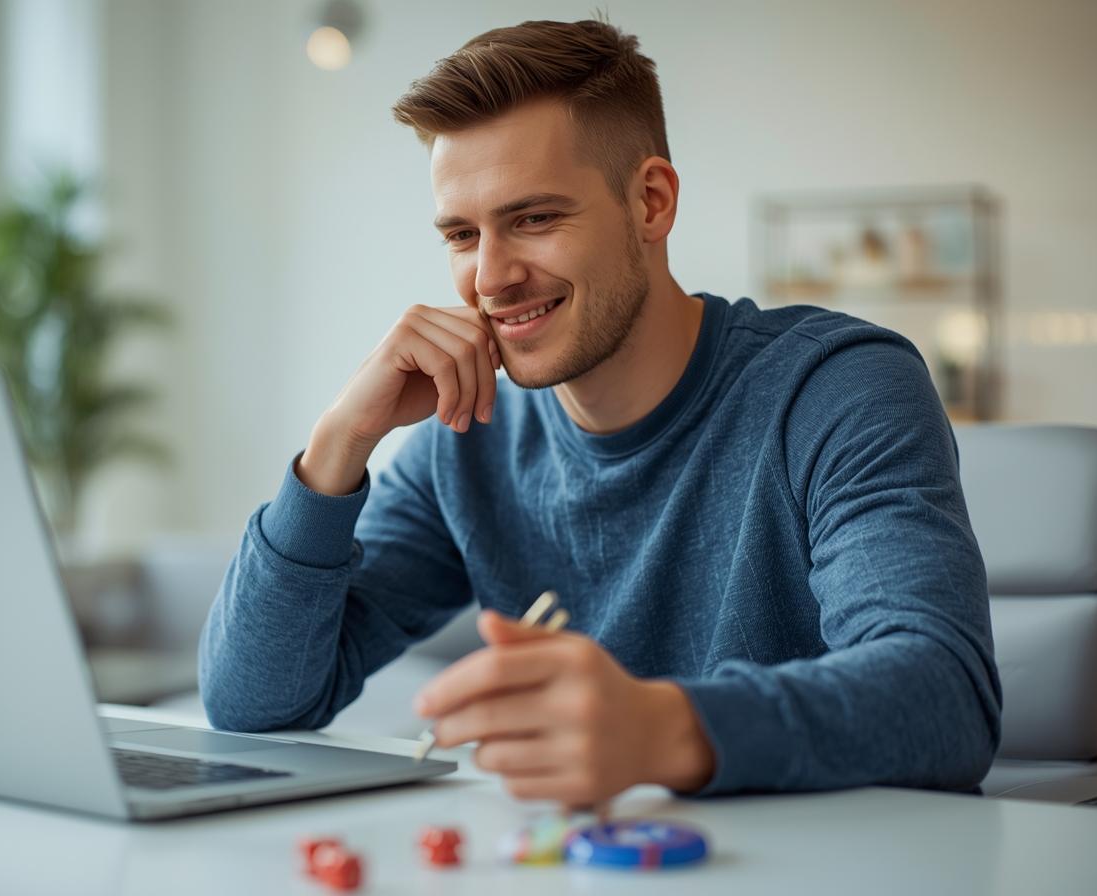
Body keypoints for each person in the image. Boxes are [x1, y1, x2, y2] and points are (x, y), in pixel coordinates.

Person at [198, 18, 1001, 805]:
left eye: (534, 218)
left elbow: (943, 695)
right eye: (461, 235)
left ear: (650, 202)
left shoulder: (837, 388)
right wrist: (339, 442)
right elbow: (251, 705)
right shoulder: (470, 439)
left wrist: (657, 728)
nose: (490, 277)